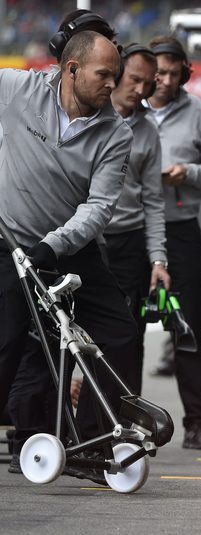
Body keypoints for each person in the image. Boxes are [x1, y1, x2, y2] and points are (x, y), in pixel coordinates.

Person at [0, 26, 136, 483]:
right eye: (105, 74)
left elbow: (99, 208)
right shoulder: (18, 89)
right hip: (11, 244)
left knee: (118, 333)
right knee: (8, 343)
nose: (112, 85)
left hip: (67, 248)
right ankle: (26, 435)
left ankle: (97, 447)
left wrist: (52, 247)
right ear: (71, 69)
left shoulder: (115, 132)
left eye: (115, 76)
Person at [146, 35, 201, 451]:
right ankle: (111, 419)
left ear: (186, 75)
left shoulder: (197, 112)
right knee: (118, 328)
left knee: (188, 327)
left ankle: (198, 424)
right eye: (160, 72)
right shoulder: (122, 108)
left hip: (180, 229)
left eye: (175, 74)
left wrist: (188, 173)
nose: (165, 81)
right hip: (129, 228)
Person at [103, 42, 170, 395]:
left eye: (148, 83)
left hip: (129, 244)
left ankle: (125, 421)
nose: (141, 90)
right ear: (116, 74)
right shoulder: (90, 115)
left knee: (130, 334)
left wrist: (158, 259)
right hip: (84, 242)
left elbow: (153, 200)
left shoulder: (147, 131)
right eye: (134, 79)